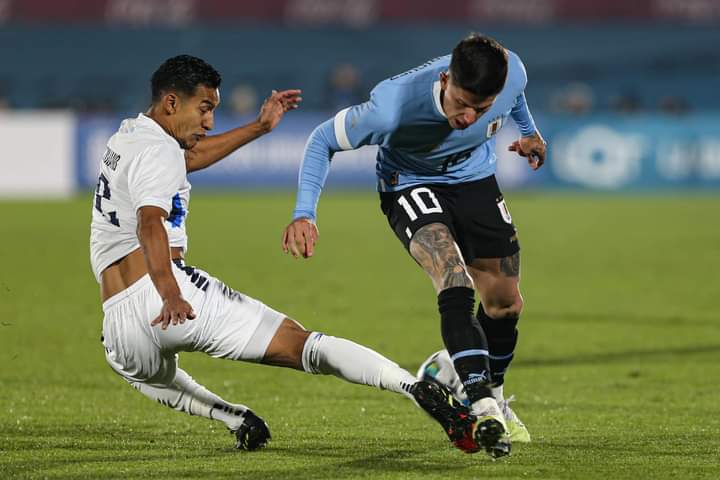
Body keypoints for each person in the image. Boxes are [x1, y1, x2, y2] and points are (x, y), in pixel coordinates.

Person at [90, 54, 477, 453]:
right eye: (204, 109)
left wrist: (259, 127)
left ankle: (233, 417)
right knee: (302, 345)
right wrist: (170, 292)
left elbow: (187, 158)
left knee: (149, 377)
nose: (209, 123)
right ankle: (412, 387)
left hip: (118, 323)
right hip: (164, 294)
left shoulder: (128, 138)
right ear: (172, 103)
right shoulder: (160, 154)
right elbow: (150, 223)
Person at [282, 34, 547, 458]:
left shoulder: (511, 70)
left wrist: (530, 133)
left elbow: (513, 97)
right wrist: (304, 212)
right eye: (460, 103)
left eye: (480, 109)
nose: (467, 116)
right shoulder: (392, 108)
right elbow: (321, 140)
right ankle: (481, 403)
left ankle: (483, 387)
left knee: (505, 304)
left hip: (475, 179)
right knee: (453, 276)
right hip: (410, 183)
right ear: (445, 79)